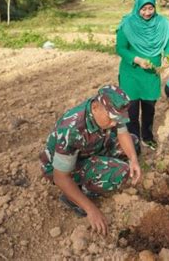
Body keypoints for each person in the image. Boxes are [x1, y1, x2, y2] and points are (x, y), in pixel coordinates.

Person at [39, 85, 142, 235]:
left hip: (90, 149)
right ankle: (78, 196)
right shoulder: (72, 130)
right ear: (95, 108)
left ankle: (99, 167)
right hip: (60, 168)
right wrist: (91, 210)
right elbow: (60, 177)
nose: (114, 123)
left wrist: (133, 160)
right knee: (119, 172)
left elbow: (122, 132)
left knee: (134, 142)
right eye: (112, 119)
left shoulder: (110, 109)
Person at [116, 0, 169, 151]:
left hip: (151, 75)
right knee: (132, 112)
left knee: (149, 110)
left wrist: (167, 57)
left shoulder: (163, 24)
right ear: (137, 7)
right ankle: (134, 141)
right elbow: (120, 48)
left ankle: (147, 137)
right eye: (143, 8)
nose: (147, 12)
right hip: (131, 75)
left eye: (150, 8)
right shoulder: (127, 24)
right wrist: (137, 59)